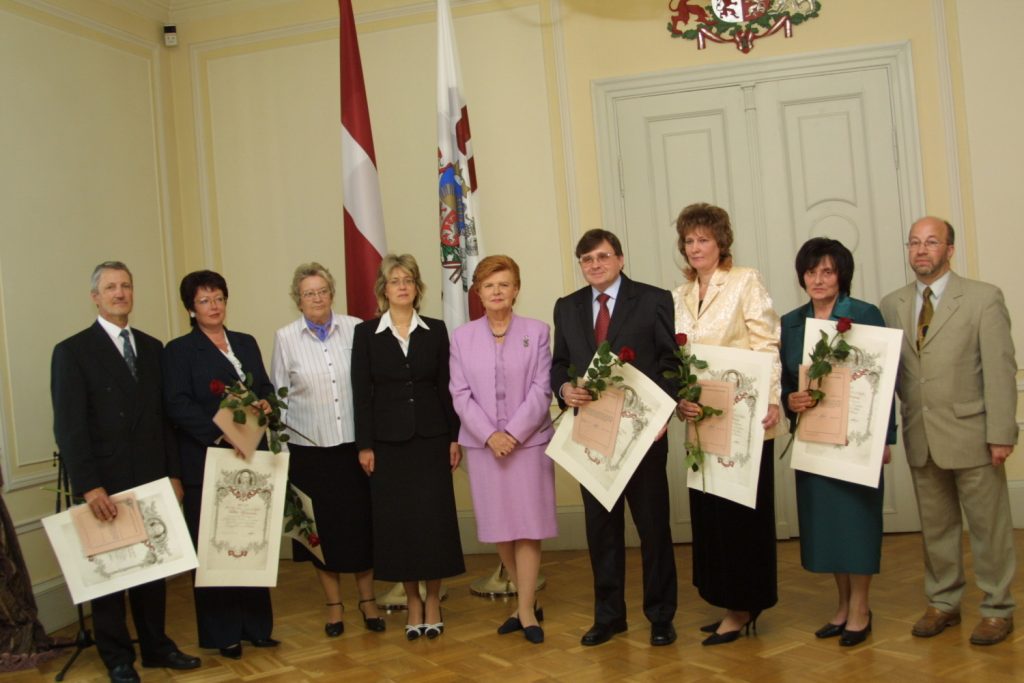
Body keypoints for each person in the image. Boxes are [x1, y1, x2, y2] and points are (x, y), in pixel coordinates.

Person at [51, 262, 200, 683]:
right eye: (111, 287)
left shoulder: (152, 348)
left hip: (152, 478)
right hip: (106, 483)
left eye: (126, 286)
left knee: (154, 569)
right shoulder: (73, 351)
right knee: (112, 577)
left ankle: (156, 647)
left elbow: (164, 419)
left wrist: (173, 474)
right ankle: (117, 657)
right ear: (95, 297)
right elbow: (70, 428)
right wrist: (89, 486)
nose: (120, 293)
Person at [880, 216, 1018, 646]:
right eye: (914, 243)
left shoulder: (982, 298)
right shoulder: (892, 304)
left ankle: (997, 608)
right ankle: (943, 602)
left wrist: (1001, 434)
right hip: (921, 435)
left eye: (931, 242)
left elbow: (1000, 369)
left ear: (950, 250)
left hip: (974, 435)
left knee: (988, 529)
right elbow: (888, 375)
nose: (921, 250)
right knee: (936, 528)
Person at [551, 229, 679, 648]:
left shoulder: (654, 299)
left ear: (620, 259)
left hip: (643, 436)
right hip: (593, 434)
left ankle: (660, 616)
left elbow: (671, 362)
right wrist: (564, 390)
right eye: (587, 259)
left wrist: (664, 413)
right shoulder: (567, 306)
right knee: (601, 530)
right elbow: (559, 364)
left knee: (653, 529)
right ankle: (609, 617)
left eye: (603, 256)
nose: (595, 265)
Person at [672, 203, 783, 646]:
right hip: (701, 422)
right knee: (712, 516)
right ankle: (727, 601)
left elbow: (767, 342)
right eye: (689, 240)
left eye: (703, 239)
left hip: (744, 416)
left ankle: (744, 605)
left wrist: (771, 398)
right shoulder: (679, 295)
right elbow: (677, 358)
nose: (695, 247)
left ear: (721, 242)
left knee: (742, 517)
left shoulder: (744, 280)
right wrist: (680, 398)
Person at [780, 238, 897, 647]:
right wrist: (789, 400)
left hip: (858, 440)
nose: (818, 279)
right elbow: (785, 382)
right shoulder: (791, 322)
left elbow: (885, 379)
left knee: (857, 522)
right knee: (827, 525)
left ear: (841, 275)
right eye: (811, 272)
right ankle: (843, 605)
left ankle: (861, 608)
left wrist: (885, 438)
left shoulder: (865, 314)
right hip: (814, 438)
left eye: (827, 271)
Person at [162, 270, 278, 659]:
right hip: (206, 459)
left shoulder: (245, 342)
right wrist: (221, 432)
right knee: (216, 549)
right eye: (204, 300)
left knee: (250, 540)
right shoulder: (178, 351)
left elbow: (264, 387)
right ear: (190, 309)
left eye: (218, 298)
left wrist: (266, 403)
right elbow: (176, 404)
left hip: (251, 457)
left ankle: (257, 628)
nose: (213, 306)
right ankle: (222, 633)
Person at [351, 254, 464, 640]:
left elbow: (447, 387)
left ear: (417, 288)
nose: (402, 286)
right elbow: (361, 394)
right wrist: (364, 445)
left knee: (433, 522)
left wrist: (454, 437)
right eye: (395, 280)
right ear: (383, 290)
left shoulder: (436, 330)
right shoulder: (367, 333)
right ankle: (412, 600)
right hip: (387, 445)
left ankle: (433, 600)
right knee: (400, 526)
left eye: (408, 280)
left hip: (432, 440)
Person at [270, 262, 383, 638]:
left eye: (322, 291)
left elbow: (370, 387)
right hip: (310, 452)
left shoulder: (355, 328)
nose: (316, 298)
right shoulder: (285, 338)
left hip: (354, 449)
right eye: (308, 293)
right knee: (322, 534)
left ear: (332, 293)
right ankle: (334, 606)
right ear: (297, 300)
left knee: (361, 529)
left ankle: (368, 601)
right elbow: (279, 399)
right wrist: (280, 455)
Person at [449, 256, 557, 644]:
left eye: (504, 284)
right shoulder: (461, 337)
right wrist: (489, 435)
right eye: (489, 285)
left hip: (528, 444)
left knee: (527, 527)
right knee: (501, 527)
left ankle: (524, 608)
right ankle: (527, 602)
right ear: (478, 292)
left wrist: (511, 433)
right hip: (484, 447)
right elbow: (459, 393)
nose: (496, 291)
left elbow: (542, 389)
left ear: (516, 290)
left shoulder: (537, 331)